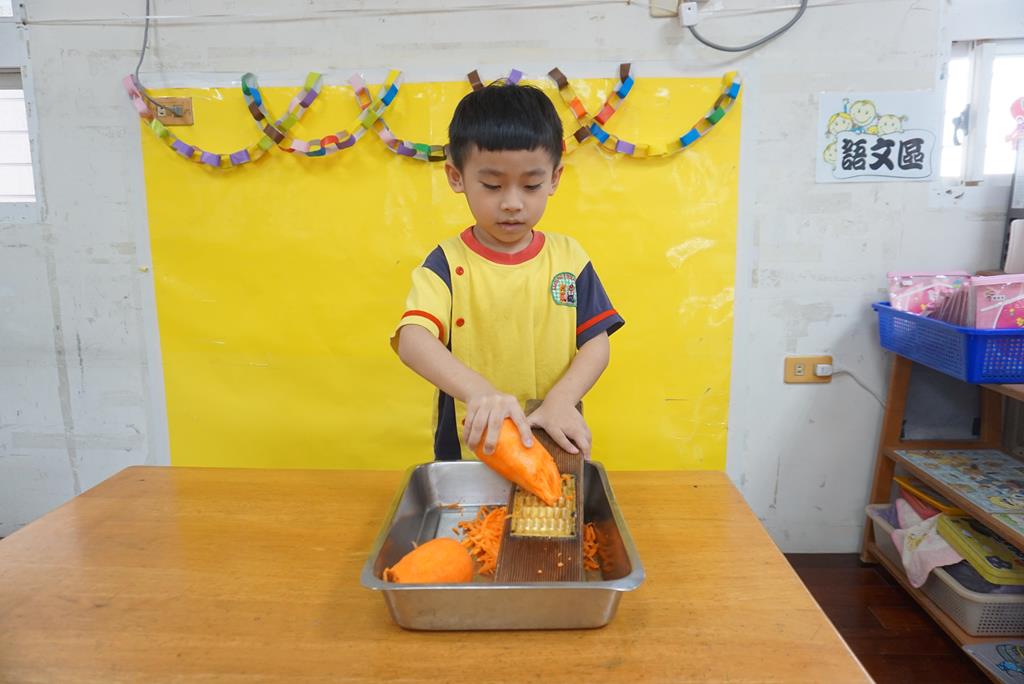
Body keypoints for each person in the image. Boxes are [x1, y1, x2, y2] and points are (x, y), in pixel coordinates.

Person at [391, 81, 624, 461]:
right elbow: (413, 340)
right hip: (468, 446)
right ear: (456, 177)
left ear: (554, 178)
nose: (512, 203)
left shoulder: (570, 259)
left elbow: (597, 344)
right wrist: (478, 391)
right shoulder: (445, 264)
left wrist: (562, 399)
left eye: (531, 185)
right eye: (492, 185)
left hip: (551, 436)